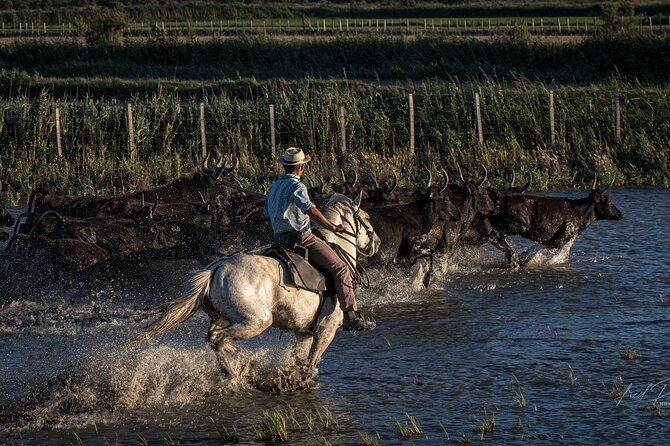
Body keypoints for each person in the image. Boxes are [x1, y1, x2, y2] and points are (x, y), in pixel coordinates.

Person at [264, 147, 376, 332]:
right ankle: (350, 315)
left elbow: (267, 212)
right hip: (301, 237)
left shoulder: (274, 187)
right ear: (301, 168)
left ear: (285, 166)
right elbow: (310, 209)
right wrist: (332, 227)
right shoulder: (297, 186)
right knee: (340, 268)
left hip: (279, 238)